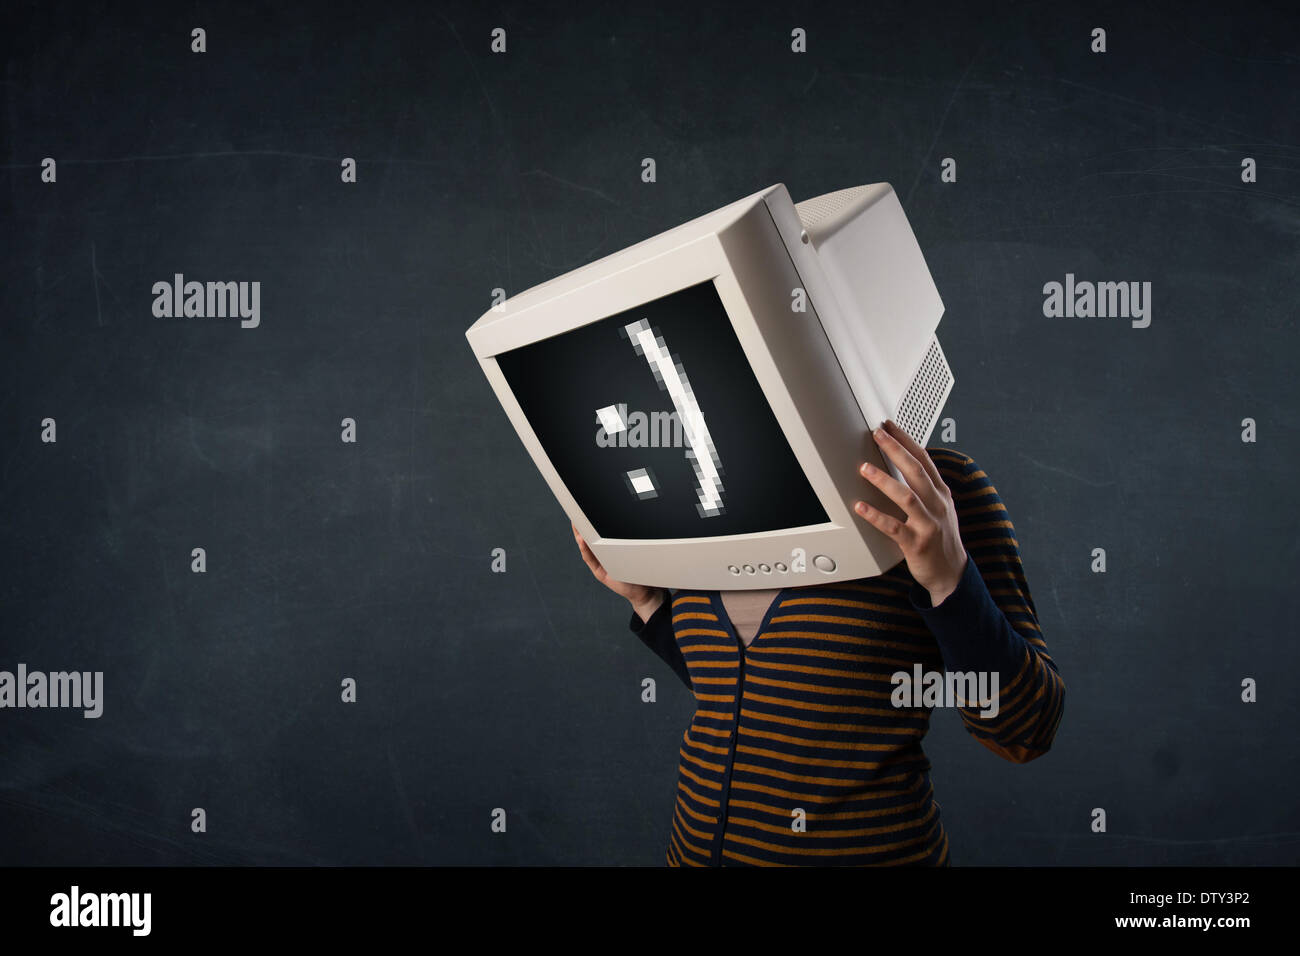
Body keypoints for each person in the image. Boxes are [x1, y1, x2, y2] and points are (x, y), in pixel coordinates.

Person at [572, 418, 1064, 866]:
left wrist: (948, 581)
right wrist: (650, 604)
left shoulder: (930, 490)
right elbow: (751, 693)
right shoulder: (707, 497)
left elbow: (1026, 730)